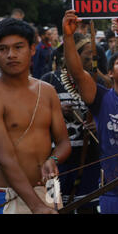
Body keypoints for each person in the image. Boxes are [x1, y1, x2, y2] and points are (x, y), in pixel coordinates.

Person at [0, 18, 71, 214]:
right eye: (3, 49)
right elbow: (6, 158)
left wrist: (53, 159)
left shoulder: (47, 91)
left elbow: (63, 142)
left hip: (49, 190)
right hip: (8, 195)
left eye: (18, 47)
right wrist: (36, 206)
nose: (11, 55)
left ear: (32, 49)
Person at [62, 10, 118, 214]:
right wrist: (68, 37)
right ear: (110, 72)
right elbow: (78, 73)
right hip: (112, 191)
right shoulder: (101, 98)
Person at [41, 33, 101, 213]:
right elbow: (35, 116)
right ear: (71, 55)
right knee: (55, 206)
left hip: (88, 159)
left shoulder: (94, 81)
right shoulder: (48, 80)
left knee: (87, 206)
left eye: (93, 53)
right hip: (56, 161)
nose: (92, 57)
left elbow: (107, 113)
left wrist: (98, 123)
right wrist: (56, 110)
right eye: (87, 53)